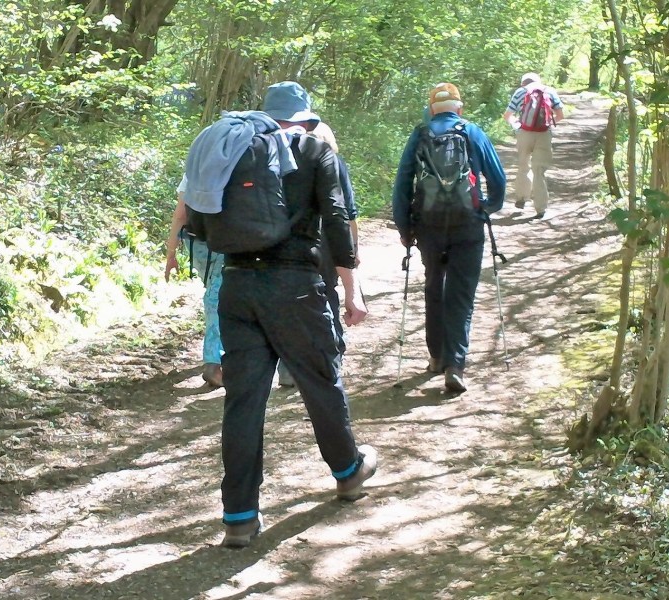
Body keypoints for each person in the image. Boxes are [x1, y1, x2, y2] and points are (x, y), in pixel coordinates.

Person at [184, 81, 376, 548]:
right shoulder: (315, 150)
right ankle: (349, 472)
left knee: (244, 401)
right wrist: (352, 291)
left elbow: (196, 222)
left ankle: (239, 517)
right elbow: (337, 220)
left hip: (237, 286)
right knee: (319, 381)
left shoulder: (229, 149)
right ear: (305, 117)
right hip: (295, 287)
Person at [392, 82, 506, 393]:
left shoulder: (420, 134)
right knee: (461, 293)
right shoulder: (472, 132)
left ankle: (436, 356)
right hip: (467, 225)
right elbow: (498, 178)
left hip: (428, 226)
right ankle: (455, 364)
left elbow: (402, 183)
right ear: (460, 108)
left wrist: (404, 228)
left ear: (431, 110)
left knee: (434, 286)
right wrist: (486, 208)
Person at [277, 121, 360, 387]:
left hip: (287, 243)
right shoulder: (333, 162)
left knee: (287, 301)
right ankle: (330, 359)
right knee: (326, 295)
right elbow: (346, 213)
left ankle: (289, 368)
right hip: (323, 243)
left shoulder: (280, 157)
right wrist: (351, 252)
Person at [164, 176, 225, 388]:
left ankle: (217, 355)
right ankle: (214, 362)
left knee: (215, 292)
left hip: (195, 241)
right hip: (227, 239)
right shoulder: (239, 160)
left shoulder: (195, 168)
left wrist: (171, 253)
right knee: (218, 297)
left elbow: (180, 215)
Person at [502, 72, 564, 218]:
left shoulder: (521, 92)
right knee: (539, 171)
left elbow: (507, 115)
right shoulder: (550, 91)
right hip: (543, 134)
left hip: (524, 133)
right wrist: (547, 124)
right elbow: (560, 115)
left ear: (524, 83)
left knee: (524, 166)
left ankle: (521, 198)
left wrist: (517, 126)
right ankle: (540, 208)